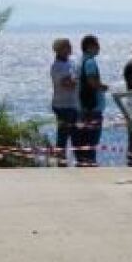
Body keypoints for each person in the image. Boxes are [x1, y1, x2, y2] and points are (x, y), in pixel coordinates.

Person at [76, 34, 108, 167]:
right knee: (92, 138)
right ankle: (90, 162)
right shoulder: (90, 62)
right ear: (89, 47)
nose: (99, 48)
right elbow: (91, 81)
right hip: (92, 106)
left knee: (84, 137)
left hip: (83, 105)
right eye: (96, 45)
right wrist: (102, 87)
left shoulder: (80, 61)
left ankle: (83, 161)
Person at [49, 38, 79, 166]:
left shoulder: (70, 63)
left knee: (75, 134)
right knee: (63, 135)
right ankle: (61, 162)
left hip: (73, 103)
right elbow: (66, 83)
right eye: (67, 46)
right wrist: (77, 81)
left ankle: (75, 161)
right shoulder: (57, 66)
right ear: (59, 49)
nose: (70, 48)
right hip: (63, 105)